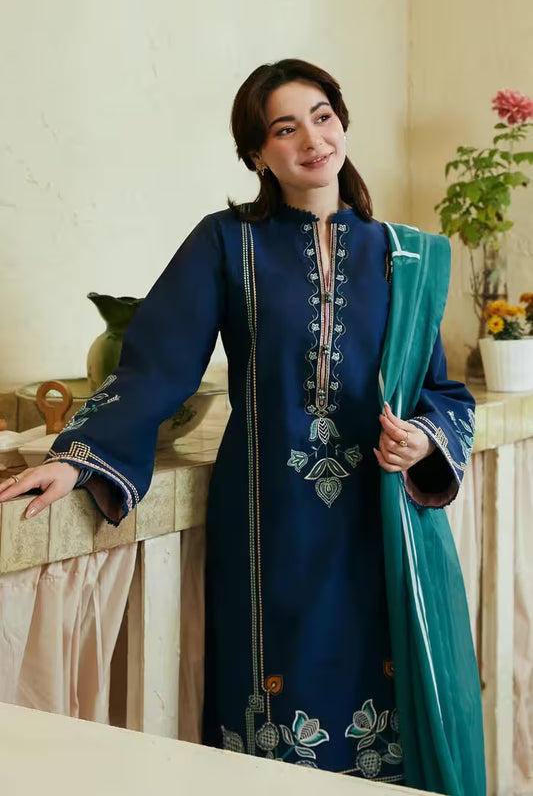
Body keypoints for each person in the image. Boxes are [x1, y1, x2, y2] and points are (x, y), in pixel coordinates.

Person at [0, 59, 485, 793]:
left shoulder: (405, 255)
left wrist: (421, 439)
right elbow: (156, 367)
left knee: (386, 709)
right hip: (270, 524)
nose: (311, 139)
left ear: (342, 122)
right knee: (273, 713)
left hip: (377, 524)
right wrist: (79, 454)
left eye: (321, 116)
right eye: (283, 129)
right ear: (257, 154)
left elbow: (443, 395)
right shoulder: (226, 243)